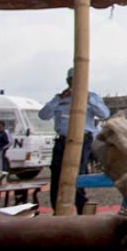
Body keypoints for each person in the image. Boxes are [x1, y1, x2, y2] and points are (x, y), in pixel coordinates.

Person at [39, 68, 111, 212]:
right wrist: (58, 99)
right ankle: (57, 209)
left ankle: (81, 206)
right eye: (72, 81)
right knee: (57, 174)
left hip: (82, 141)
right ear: (68, 81)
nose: (75, 84)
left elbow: (104, 114)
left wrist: (88, 99)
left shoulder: (92, 97)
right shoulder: (60, 98)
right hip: (62, 141)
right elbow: (43, 115)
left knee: (77, 174)